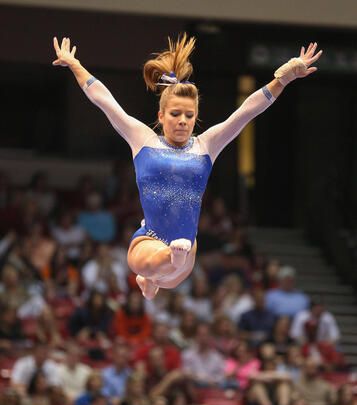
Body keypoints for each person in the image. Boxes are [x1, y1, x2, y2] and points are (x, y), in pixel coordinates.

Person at [52, 36, 322, 299]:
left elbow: (247, 111)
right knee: (153, 262)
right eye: (175, 114)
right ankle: (152, 275)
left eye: (189, 115)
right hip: (149, 239)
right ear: (161, 115)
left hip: (186, 249)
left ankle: (154, 278)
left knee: (175, 265)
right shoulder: (142, 139)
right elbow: (104, 100)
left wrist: (283, 78)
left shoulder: (206, 146)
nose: (182, 121)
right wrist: (74, 64)